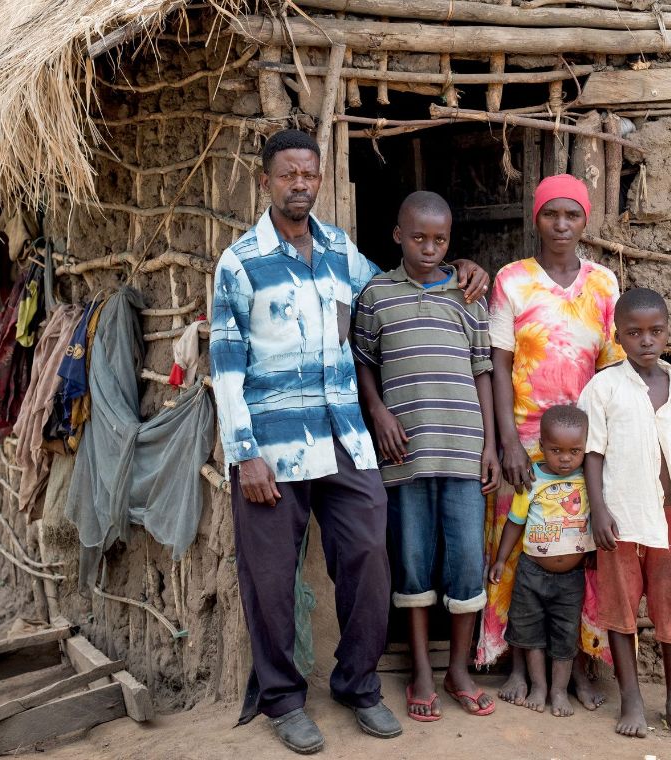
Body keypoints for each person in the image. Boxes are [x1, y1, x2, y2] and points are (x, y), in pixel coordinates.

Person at [210, 129, 489, 755]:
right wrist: (245, 453)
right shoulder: (239, 262)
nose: (300, 184)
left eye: (309, 174)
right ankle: (282, 699)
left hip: (345, 441)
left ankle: (358, 685)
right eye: (287, 174)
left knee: (368, 559)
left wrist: (460, 269)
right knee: (272, 577)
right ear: (266, 182)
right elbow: (225, 368)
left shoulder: (340, 252)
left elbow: (403, 281)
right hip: (273, 449)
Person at [352, 191, 500, 723]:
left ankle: (458, 669)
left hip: (462, 451)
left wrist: (489, 443)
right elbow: (364, 361)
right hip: (405, 452)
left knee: (464, 563)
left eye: (440, 240)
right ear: (397, 236)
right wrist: (378, 413)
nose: (429, 248)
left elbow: (484, 370)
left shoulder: (468, 297)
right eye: (418, 238)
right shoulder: (376, 295)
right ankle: (419, 669)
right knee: (411, 562)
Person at [481, 174, 624, 710]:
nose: (561, 225)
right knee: (518, 548)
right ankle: (519, 664)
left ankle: (582, 666)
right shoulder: (513, 280)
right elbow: (498, 363)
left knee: (582, 551)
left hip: (585, 443)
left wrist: (605, 449)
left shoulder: (604, 284)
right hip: (526, 437)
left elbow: (612, 371)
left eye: (572, 215)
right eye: (551, 215)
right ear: (536, 218)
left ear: (586, 221)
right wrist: (508, 445)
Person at [578, 287, 671, 741]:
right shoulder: (603, 388)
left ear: (667, 332)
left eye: (656, 331)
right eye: (634, 333)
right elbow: (592, 455)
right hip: (620, 521)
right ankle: (631, 700)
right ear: (618, 336)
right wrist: (598, 511)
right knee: (618, 615)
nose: (646, 341)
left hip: (669, 522)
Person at [488, 405, 593, 717]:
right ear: (541, 446)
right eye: (556, 450)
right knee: (530, 632)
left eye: (574, 451)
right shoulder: (532, 479)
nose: (565, 458)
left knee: (565, 634)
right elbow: (515, 522)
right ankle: (539, 687)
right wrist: (500, 560)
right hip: (531, 571)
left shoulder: (589, 480)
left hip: (572, 577)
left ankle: (559, 691)